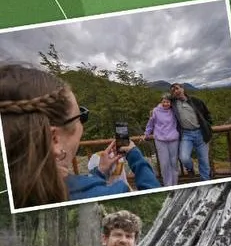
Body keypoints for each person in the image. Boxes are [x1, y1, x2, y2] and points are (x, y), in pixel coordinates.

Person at [0, 64, 160, 207]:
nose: (82, 124)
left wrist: (100, 172)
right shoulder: (114, 193)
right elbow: (154, 195)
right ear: (54, 139)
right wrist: (134, 155)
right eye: (81, 116)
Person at [170, 82, 214, 181]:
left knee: (204, 161)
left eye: (177, 88)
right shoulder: (173, 103)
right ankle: (190, 168)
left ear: (183, 89)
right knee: (184, 158)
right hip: (186, 134)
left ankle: (205, 180)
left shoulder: (195, 100)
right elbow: (162, 104)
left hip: (201, 133)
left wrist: (207, 125)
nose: (175, 91)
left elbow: (207, 114)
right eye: (173, 90)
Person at [144, 94, 181, 187]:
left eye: (167, 102)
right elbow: (150, 124)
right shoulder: (156, 111)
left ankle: (175, 184)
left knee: (174, 163)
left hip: (173, 139)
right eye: (164, 101)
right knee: (164, 164)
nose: (165, 104)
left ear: (170, 102)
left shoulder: (174, 110)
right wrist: (146, 134)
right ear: (161, 102)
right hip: (160, 140)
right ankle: (168, 185)